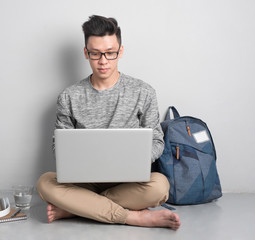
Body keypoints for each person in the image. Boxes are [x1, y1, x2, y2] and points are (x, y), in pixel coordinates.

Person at [36, 15, 181, 229]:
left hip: (129, 182)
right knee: (44, 183)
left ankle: (77, 208)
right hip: (84, 182)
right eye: (95, 53)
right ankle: (132, 217)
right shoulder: (69, 96)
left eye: (110, 53)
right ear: (86, 53)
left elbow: (157, 141)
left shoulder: (144, 92)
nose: (103, 60)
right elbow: (59, 146)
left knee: (160, 186)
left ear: (120, 51)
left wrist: (135, 158)